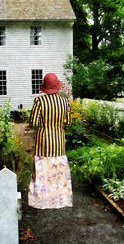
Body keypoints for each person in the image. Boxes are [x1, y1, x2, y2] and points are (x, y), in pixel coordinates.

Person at [28, 73, 73, 209]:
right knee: (58, 170)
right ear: (57, 86)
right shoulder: (65, 101)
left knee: (43, 169)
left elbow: (33, 122)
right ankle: (61, 199)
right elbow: (68, 122)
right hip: (59, 139)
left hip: (43, 140)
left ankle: (42, 200)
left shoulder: (39, 101)